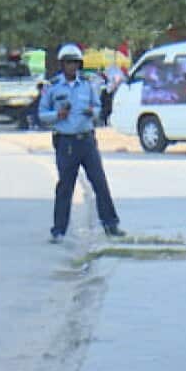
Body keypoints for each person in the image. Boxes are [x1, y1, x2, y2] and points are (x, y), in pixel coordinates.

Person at [39, 43, 125, 244]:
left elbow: (98, 107)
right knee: (65, 186)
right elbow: (42, 114)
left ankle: (111, 224)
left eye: (75, 63)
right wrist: (57, 115)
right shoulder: (53, 87)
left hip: (86, 140)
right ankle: (59, 230)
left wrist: (92, 112)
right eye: (68, 63)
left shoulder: (87, 85)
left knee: (99, 182)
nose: (72, 67)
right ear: (62, 64)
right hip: (66, 141)